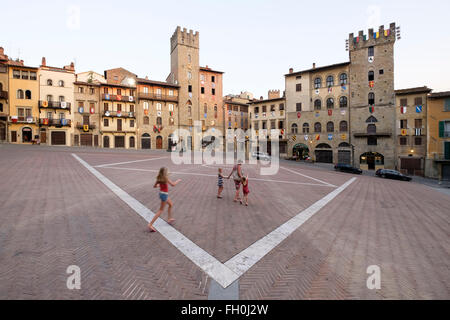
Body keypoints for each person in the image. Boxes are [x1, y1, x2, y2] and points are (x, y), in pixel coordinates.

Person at [148, 167, 181, 233]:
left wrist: (159, 185)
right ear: (165, 173)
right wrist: (178, 180)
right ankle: (150, 224)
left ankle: (169, 219)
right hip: (164, 195)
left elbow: (155, 186)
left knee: (171, 205)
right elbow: (173, 185)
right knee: (160, 210)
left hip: (161, 194)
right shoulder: (166, 178)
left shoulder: (159, 178)